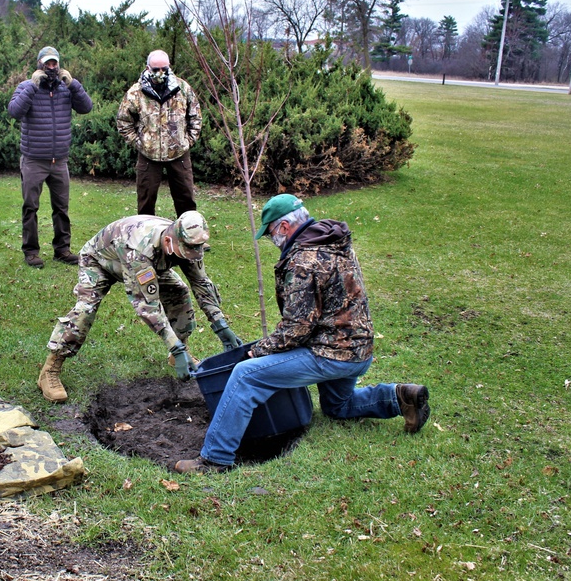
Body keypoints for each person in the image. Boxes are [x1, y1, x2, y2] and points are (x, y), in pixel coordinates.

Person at [175, 195, 431, 473]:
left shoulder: (304, 261)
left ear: (284, 227)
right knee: (338, 406)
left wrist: (258, 351)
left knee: (245, 375)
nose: (272, 239)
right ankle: (400, 397)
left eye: (271, 232)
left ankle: (215, 458)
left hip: (331, 353)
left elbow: (296, 329)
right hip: (359, 348)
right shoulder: (331, 241)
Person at [37, 211, 242, 403]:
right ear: (170, 242)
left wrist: (220, 325)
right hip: (100, 261)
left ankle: (179, 353)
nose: (195, 253)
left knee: (179, 291)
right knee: (86, 308)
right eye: (189, 249)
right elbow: (148, 306)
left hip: (148, 261)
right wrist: (173, 345)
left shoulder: (189, 243)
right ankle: (50, 369)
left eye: (197, 248)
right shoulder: (140, 250)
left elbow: (201, 284)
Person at [8, 46, 93, 269]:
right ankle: (31, 252)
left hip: (59, 160)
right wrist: (33, 87)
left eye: (55, 63)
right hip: (33, 159)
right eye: (48, 63)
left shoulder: (67, 88)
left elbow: (86, 107)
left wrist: (73, 83)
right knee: (30, 206)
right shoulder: (27, 87)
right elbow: (15, 111)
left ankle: (62, 250)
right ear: (39, 64)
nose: (52, 67)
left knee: (61, 207)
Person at [116, 49, 202, 218]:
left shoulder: (183, 88)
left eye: (164, 68)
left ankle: (191, 240)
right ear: (148, 68)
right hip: (148, 156)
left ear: (169, 67)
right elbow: (123, 121)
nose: (160, 73)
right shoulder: (136, 92)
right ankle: (146, 240)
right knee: (145, 202)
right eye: (156, 69)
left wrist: (188, 141)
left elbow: (195, 117)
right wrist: (139, 142)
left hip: (179, 153)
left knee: (187, 201)